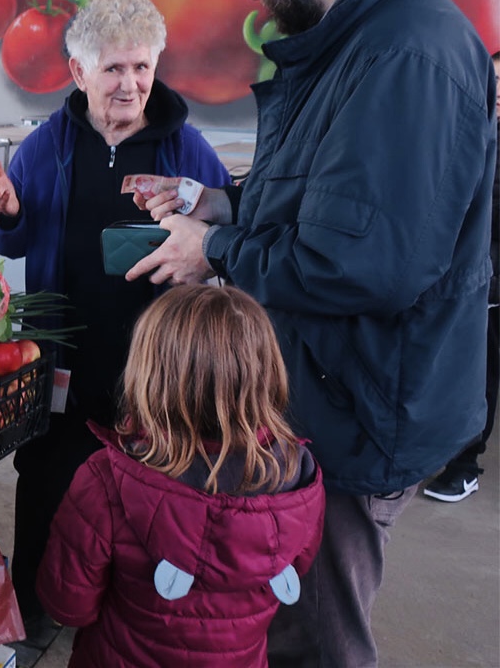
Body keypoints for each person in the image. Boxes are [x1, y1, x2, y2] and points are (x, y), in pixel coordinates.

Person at [126, 0, 497, 665]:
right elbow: (333, 193)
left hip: (364, 404)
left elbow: (364, 263)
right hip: (331, 389)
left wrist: (213, 250)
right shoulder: (361, 37)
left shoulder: (405, 55)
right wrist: (224, 203)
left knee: (317, 632)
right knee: (289, 609)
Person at [0, 0, 231, 641]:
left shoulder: (186, 150)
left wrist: (206, 220)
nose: (131, 83)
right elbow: (14, 240)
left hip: (156, 360)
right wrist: (6, 214)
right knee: (48, 481)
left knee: (152, 490)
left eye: (142, 67)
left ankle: (127, 619)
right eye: (115, 68)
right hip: (66, 353)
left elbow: (225, 221)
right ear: (80, 72)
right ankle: (32, 608)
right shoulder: (47, 146)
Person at [36, 285, 326, 668]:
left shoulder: (105, 480)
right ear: (267, 373)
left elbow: (68, 604)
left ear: (147, 373)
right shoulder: (296, 476)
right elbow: (297, 565)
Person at [425, 50, 500, 502]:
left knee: (481, 373)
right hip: (463, 280)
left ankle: (465, 463)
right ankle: (457, 458)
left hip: (489, 281)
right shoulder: (465, 132)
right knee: (464, 371)